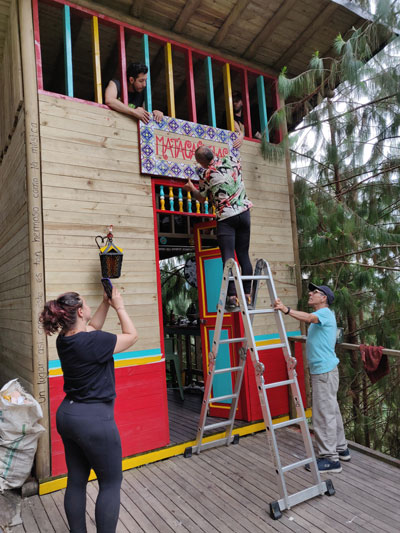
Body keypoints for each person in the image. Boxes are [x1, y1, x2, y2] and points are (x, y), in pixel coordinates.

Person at [40, 288, 138, 532]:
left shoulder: (65, 339)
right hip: (94, 420)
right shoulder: (95, 342)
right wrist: (119, 306)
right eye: (86, 304)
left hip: (68, 415)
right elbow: (131, 335)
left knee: (76, 480)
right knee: (110, 483)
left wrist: (105, 304)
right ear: (81, 312)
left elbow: (91, 326)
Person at [274, 283, 350, 473]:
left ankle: (330, 459)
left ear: (323, 298)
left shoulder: (324, 313)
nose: (310, 293)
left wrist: (285, 309)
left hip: (324, 372)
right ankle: (341, 449)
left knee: (323, 415)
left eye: (315, 292)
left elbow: (309, 318)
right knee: (331, 411)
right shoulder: (325, 315)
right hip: (326, 371)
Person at [184, 145, 253, 309]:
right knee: (243, 254)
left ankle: (232, 297)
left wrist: (190, 188)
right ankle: (248, 295)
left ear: (201, 162)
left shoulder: (206, 174)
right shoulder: (232, 160)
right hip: (244, 213)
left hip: (227, 217)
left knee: (228, 257)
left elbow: (201, 198)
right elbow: (238, 149)